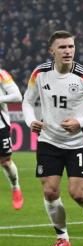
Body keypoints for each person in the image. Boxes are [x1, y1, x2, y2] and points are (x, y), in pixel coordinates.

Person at [22, 30, 83, 246]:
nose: (68, 51)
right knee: (50, 192)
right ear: (51, 50)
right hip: (49, 140)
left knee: (78, 194)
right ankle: (62, 238)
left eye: (71, 46)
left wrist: (81, 122)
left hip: (78, 142)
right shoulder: (40, 73)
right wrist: (30, 121)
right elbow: (27, 101)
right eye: (62, 47)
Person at [0, 69, 23, 210]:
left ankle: (15, 187)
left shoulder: (2, 74)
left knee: (6, 162)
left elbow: (17, 96)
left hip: (0, 126)